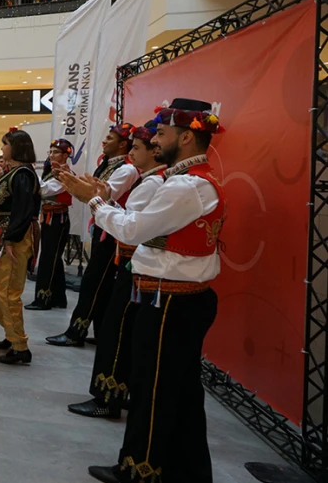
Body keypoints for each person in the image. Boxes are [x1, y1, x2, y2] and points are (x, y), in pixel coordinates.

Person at [65, 100, 224, 483]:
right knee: (177, 390)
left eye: (163, 134)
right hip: (169, 297)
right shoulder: (183, 182)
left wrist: (96, 200)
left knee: (154, 389)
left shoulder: (188, 185)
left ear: (186, 137)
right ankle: (185, 470)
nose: (156, 141)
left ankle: (139, 469)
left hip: (171, 302)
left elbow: (133, 229)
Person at [67, 123, 165, 421]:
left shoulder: (152, 183)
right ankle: (114, 394)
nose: (131, 152)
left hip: (135, 265)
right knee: (119, 328)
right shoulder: (153, 179)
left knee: (117, 329)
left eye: (137, 147)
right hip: (135, 263)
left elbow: (130, 226)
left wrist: (95, 199)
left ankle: (107, 398)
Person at [47, 123, 140, 348]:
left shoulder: (127, 169)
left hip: (113, 232)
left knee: (94, 281)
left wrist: (75, 184)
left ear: (123, 144)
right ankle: (100, 332)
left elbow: (105, 195)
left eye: (110, 138)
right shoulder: (109, 165)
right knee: (101, 283)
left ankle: (75, 331)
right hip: (104, 226)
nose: (104, 141)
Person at [0, 129, 40, 365]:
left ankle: (20, 345)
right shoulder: (15, 172)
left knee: (8, 291)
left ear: (16, 147)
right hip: (4, 237)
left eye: (5, 144)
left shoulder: (23, 175)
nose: (2, 148)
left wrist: (10, 240)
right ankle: (10, 333)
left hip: (13, 239)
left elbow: (23, 210)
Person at [26, 139, 75, 311]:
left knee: (48, 259)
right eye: (50, 152)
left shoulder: (65, 174)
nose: (51, 155)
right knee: (54, 258)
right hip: (48, 218)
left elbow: (45, 190)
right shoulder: (52, 172)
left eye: (55, 152)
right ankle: (58, 297)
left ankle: (43, 299)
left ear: (65, 155)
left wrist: (31, 175)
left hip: (58, 220)